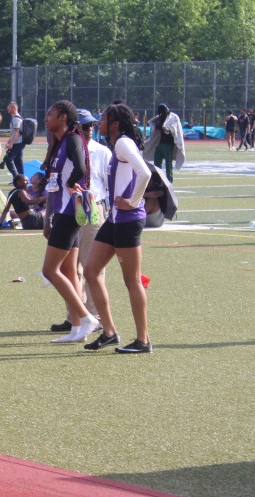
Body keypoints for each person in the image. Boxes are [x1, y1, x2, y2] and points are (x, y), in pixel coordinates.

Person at [84, 102, 152, 354]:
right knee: (91, 271)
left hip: (128, 220)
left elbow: (145, 173)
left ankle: (143, 341)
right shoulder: (117, 145)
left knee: (132, 280)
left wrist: (132, 201)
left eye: (103, 119)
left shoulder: (123, 143)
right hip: (115, 219)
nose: (99, 123)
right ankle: (109, 333)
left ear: (115, 124)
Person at [41, 100, 99, 343]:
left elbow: (81, 168)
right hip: (62, 212)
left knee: (49, 270)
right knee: (67, 270)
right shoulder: (59, 142)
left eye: (51, 114)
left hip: (69, 213)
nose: (47, 118)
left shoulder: (73, 138)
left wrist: (71, 184)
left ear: (63, 117)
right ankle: (77, 328)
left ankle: (86, 318)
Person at [51, 108, 112, 332]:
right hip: (68, 210)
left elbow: (109, 185)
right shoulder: (66, 145)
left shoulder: (102, 152)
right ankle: (75, 317)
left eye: (91, 125)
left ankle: (94, 316)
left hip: (92, 210)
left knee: (91, 267)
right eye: (84, 125)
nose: (89, 129)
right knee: (69, 268)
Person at [143, 104, 185, 182]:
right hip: (159, 144)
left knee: (168, 164)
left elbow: (173, 128)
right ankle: (158, 179)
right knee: (157, 164)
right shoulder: (160, 118)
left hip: (168, 145)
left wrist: (168, 129)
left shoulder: (173, 117)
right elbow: (155, 126)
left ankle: (169, 180)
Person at [3, 102, 25, 178]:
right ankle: (22, 178)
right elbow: (14, 132)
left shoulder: (16, 119)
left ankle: (17, 177)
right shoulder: (17, 118)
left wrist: (11, 143)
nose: (7, 109)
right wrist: (9, 142)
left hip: (18, 142)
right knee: (18, 161)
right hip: (19, 142)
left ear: (13, 108)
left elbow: (17, 132)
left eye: (9, 107)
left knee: (9, 160)